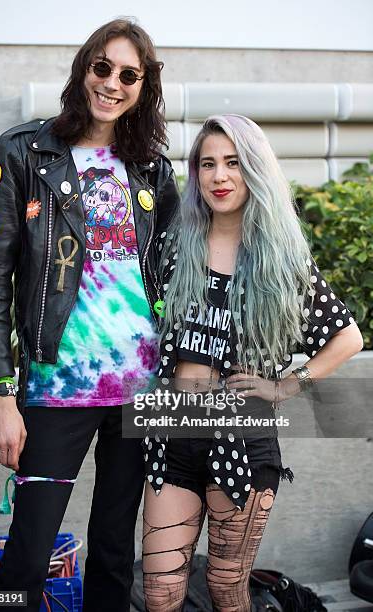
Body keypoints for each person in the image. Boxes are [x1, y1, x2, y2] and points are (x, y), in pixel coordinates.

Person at [0, 18, 179, 611]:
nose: (112, 84)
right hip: (57, 388)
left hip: (140, 393)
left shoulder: (152, 169)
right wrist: (0, 395)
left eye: (129, 75)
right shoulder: (22, 152)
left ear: (144, 88)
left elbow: (170, 276)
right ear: (83, 68)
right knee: (28, 554)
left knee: (115, 549)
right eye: (102, 68)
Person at [141, 114, 363, 611]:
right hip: (173, 432)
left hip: (241, 439)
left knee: (226, 589)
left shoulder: (282, 262)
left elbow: (347, 337)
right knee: (160, 591)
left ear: (255, 170)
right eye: (207, 164)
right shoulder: (176, 245)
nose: (219, 176)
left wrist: (288, 385)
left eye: (233, 163)